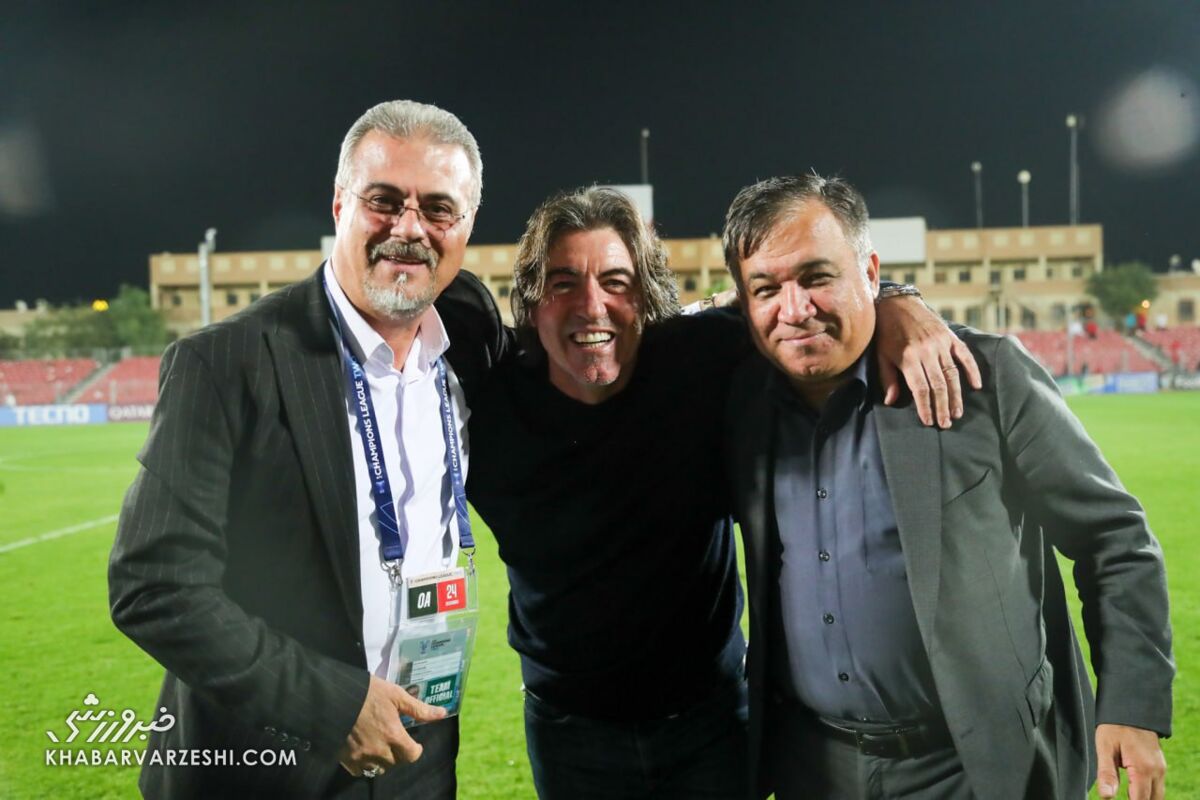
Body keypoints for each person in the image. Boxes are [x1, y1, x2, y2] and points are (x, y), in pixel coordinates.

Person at [465, 186, 980, 799]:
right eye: (563, 283)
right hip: (568, 732)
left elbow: (793, 297)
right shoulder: (489, 401)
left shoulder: (700, 357)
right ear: (531, 303)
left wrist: (896, 299)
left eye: (616, 281)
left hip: (710, 723)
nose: (592, 305)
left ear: (646, 297)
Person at [721, 174, 1173, 800]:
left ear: (869, 272)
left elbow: (1115, 539)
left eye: (817, 277)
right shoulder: (743, 403)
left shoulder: (983, 376)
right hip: (813, 768)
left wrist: (1130, 705)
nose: (794, 309)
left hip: (976, 769)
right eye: (766, 289)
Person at [109, 100, 508, 798]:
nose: (409, 228)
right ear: (339, 203)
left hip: (420, 761)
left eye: (438, 209)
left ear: (467, 225)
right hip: (266, 771)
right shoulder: (227, 362)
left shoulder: (468, 350)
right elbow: (155, 585)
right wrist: (333, 708)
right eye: (384, 200)